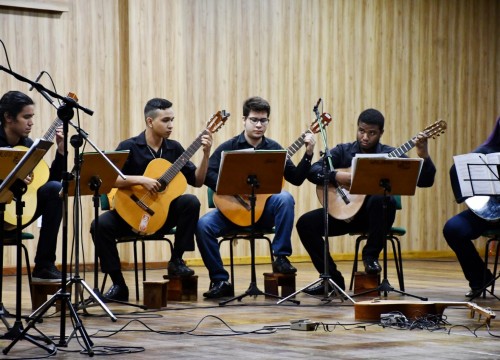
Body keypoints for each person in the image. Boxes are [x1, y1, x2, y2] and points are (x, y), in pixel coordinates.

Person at [296, 108, 436, 294]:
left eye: (372, 133)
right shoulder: (343, 151)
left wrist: (423, 154)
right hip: (344, 213)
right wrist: (336, 175)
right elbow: (313, 172)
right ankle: (332, 280)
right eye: (362, 131)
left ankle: (370, 256)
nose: (365, 137)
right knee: (305, 224)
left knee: (382, 200)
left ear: (381, 133)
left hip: (374, 219)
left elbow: (425, 181)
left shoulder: (390, 154)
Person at [91, 97, 212, 301]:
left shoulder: (175, 149)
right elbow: (108, 180)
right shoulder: (129, 146)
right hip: (128, 212)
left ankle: (176, 260)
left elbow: (198, 181)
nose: (171, 125)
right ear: (149, 121)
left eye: (172, 120)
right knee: (99, 225)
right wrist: (141, 180)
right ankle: (119, 284)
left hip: (160, 216)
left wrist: (206, 154)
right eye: (165, 120)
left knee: (190, 202)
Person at [196, 96, 316, 299]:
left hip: (263, 213)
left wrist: (308, 154)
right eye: (254, 120)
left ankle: (280, 257)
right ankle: (220, 280)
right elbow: (208, 174)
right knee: (203, 225)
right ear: (244, 120)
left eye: (263, 120)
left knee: (285, 198)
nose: (259, 125)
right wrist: (233, 185)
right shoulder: (229, 146)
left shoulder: (274, 149)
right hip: (232, 210)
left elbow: (295, 179)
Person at [0, 90, 64, 282]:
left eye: (32, 117)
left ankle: (44, 265)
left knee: (53, 189)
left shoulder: (28, 146)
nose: (31, 122)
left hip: (18, 213)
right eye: (26, 117)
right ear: (8, 117)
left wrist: (61, 152)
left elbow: (50, 182)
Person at [443, 116, 500, 297]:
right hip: (488, 212)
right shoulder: (486, 152)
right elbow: (456, 170)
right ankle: (480, 279)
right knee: (453, 229)